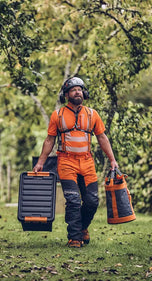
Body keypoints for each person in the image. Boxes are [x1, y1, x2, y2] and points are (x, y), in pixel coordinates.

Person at [33, 77, 118, 248]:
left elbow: (102, 137)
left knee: (92, 201)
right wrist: (40, 162)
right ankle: (74, 238)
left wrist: (112, 160)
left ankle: (82, 227)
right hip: (66, 162)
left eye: (80, 89)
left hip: (87, 162)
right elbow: (49, 140)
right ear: (66, 95)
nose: (77, 92)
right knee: (72, 200)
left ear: (84, 93)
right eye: (73, 90)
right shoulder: (57, 115)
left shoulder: (92, 114)